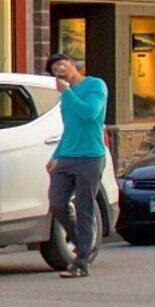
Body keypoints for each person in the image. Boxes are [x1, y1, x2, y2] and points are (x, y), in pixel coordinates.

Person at [47, 53, 110, 278]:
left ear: (73, 64)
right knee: (57, 202)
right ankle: (82, 242)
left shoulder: (95, 85)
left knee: (85, 206)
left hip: (90, 156)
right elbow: (70, 128)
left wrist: (67, 92)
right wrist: (56, 155)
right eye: (54, 70)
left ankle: (81, 263)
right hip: (67, 156)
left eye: (61, 65)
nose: (59, 71)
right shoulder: (67, 96)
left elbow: (90, 114)